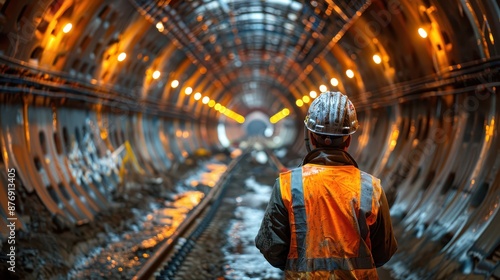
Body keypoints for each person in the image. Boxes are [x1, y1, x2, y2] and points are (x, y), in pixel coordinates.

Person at [255, 91, 398, 279]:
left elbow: (271, 247)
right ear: (348, 139)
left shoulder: (288, 184)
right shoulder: (370, 187)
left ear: (311, 137)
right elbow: (383, 252)